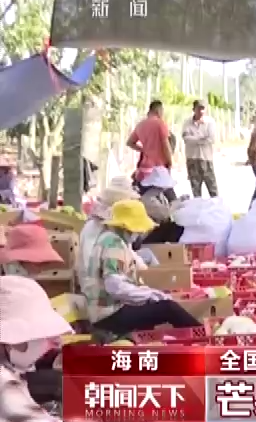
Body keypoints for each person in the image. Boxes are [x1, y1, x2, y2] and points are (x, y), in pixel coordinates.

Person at [78, 199, 200, 338]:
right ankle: (201, 336)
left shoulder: (109, 239)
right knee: (168, 308)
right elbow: (114, 286)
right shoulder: (113, 244)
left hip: (104, 311)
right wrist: (148, 295)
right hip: (108, 314)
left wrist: (147, 294)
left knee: (154, 308)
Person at [0, 276, 74, 420]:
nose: (56, 342)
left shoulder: (11, 372)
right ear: (12, 340)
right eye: (43, 335)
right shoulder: (4, 384)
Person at [127, 100, 173, 185]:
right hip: (159, 168)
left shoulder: (140, 125)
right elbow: (166, 146)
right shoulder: (160, 124)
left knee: (145, 190)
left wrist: (143, 149)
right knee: (166, 190)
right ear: (158, 111)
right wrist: (170, 162)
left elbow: (129, 143)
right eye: (162, 111)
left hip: (144, 167)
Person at [137, 167, 185, 244]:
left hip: (155, 229)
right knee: (175, 228)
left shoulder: (160, 195)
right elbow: (164, 214)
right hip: (147, 234)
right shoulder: (147, 198)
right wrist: (178, 203)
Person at [182, 99, 219, 198]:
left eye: (203, 109)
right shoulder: (187, 122)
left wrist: (194, 138)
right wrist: (201, 139)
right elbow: (186, 138)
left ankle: (217, 206)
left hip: (206, 158)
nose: (201, 111)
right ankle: (199, 206)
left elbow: (210, 139)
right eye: (199, 109)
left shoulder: (210, 122)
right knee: (196, 189)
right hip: (192, 158)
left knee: (212, 189)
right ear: (194, 109)